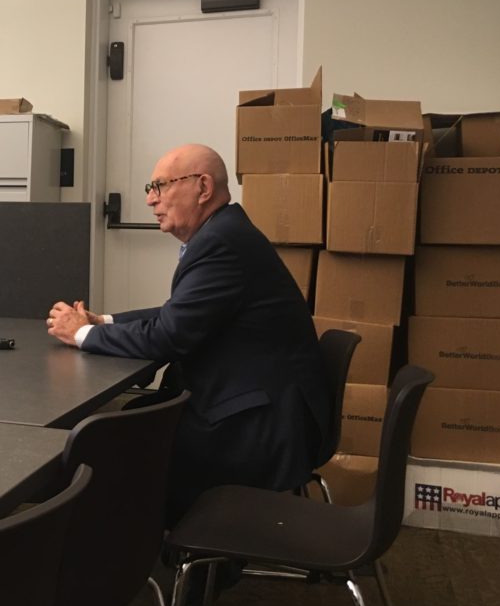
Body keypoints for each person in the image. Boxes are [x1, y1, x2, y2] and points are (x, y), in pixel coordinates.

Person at [47, 144, 331, 525]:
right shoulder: (224, 233)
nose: (150, 199)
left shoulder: (221, 243)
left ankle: (116, 559)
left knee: (107, 443)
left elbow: (169, 337)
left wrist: (82, 335)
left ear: (203, 187)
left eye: (159, 186)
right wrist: (104, 322)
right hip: (253, 400)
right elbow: (178, 314)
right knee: (127, 421)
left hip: (255, 425)